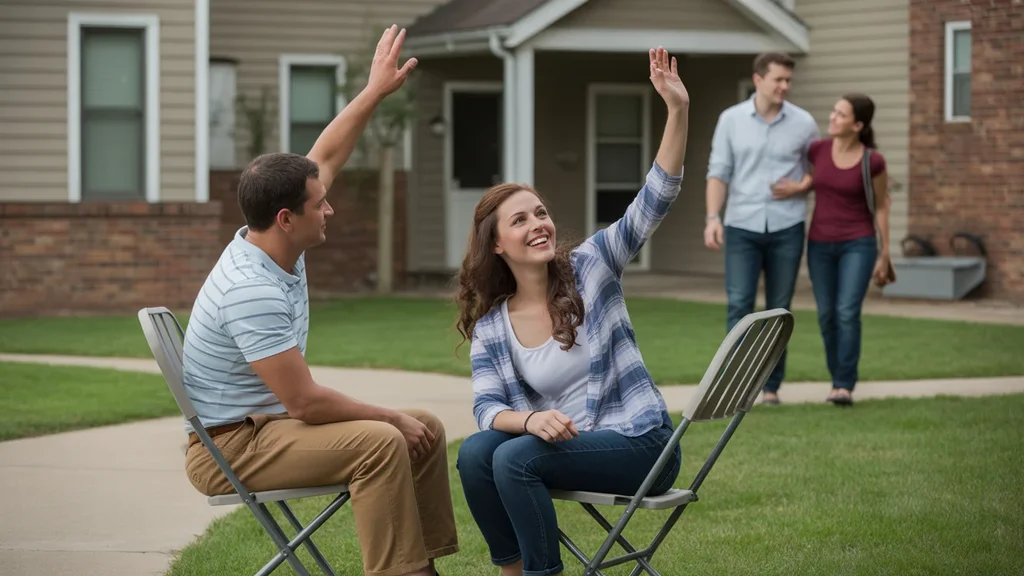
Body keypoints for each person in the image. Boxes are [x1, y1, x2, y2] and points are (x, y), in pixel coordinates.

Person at [180, 26, 457, 576]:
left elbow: (327, 152)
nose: (329, 210)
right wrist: (387, 416)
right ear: (287, 218)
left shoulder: (274, 239)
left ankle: (422, 567)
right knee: (383, 439)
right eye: (321, 205)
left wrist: (375, 90)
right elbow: (305, 403)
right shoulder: (250, 289)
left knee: (423, 427)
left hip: (263, 426)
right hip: (232, 449)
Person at [452, 47, 688, 576]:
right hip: (573, 445)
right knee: (475, 454)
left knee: (515, 457)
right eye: (520, 220)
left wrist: (677, 110)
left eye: (541, 212)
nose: (538, 223)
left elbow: (655, 198)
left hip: (641, 442)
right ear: (496, 246)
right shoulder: (493, 326)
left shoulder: (592, 266)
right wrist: (531, 418)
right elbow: (488, 410)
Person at [703, 52, 820, 405]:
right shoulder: (731, 120)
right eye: (778, 80)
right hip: (742, 224)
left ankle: (770, 387)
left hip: (787, 226)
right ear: (758, 80)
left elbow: (819, 172)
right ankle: (736, 388)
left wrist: (800, 187)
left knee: (778, 308)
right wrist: (712, 218)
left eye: (788, 81)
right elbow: (718, 172)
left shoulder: (804, 123)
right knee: (739, 304)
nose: (784, 86)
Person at [771, 94, 893, 406]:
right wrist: (800, 187)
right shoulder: (818, 149)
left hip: (859, 243)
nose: (833, 117)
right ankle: (836, 377)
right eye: (834, 111)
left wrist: (885, 251)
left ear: (858, 124)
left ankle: (843, 384)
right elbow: (818, 177)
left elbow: (881, 205)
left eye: (841, 114)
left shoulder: (872, 161)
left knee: (847, 313)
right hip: (820, 244)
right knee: (826, 315)